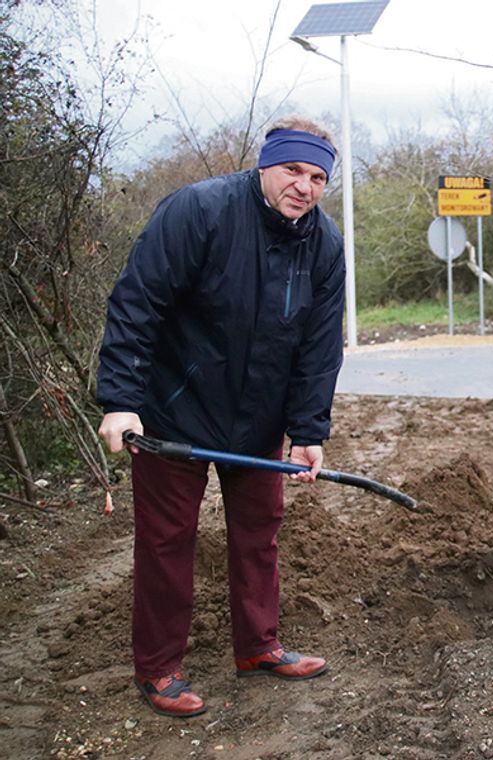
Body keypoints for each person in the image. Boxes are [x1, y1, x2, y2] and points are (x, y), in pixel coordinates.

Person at [96, 116, 347, 717]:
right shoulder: (199, 211)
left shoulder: (325, 243)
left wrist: (308, 431)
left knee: (259, 538)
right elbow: (138, 302)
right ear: (267, 165)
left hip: (259, 423)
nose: (304, 187)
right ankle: (158, 668)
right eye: (293, 170)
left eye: (317, 177)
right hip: (171, 414)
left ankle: (258, 648)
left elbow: (319, 346)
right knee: (166, 542)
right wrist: (120, 401)